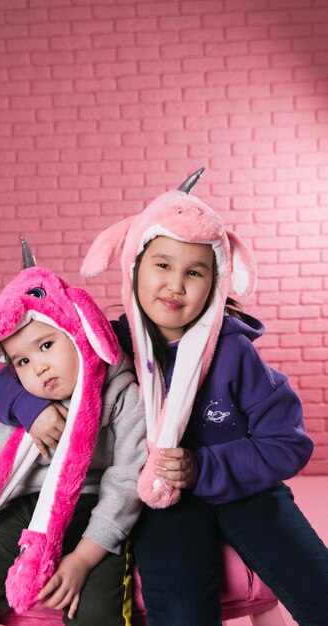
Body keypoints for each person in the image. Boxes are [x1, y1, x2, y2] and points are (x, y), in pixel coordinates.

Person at [79, 169, 328, 626]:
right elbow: (21, 374)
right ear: (133, 265)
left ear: (216, 282)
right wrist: (29, 410)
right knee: (181, 610)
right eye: (162, 265)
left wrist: (205, 467)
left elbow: (289, 443)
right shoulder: (110, 348)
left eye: (194, 271)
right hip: (163, 501)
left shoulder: (235, 353)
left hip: (246, 490)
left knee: (319, 588)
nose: (175, 284)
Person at [0, 241, 146, 626]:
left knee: (97, 612)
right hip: (27, 507)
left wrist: (84, 557)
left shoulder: (121, 394)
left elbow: (127, 479)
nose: (39, 368)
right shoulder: (25, 408)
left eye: (47, 345)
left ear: (78, 333)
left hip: (95, 511)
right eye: (24, 361)